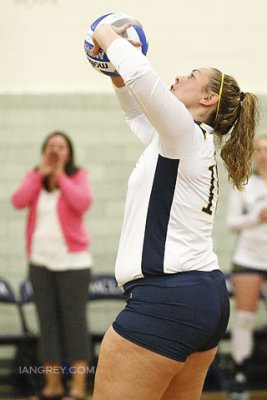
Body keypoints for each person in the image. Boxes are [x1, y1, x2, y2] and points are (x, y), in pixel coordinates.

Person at [89, 22, 260, 400]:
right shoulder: (180, 140)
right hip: (202, 297)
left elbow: (141, 75)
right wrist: (115, 75)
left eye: (192, 76)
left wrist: (105, 33)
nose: (180, 76)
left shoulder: (184, 133)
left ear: (209, 98)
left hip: (168, 300)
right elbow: (136, 114)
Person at [11, 131, 93, 400]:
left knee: (74, 325)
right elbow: (18, 201)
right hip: (40, 262)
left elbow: (82, 203)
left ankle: (78, 389)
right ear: (43, 149)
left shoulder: (77, 176)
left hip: (74, 264)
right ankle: (53, 386)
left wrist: (60, 176)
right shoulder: (35, 176)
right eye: (51, 145)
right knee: (48, 326)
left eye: (61, 146)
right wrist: (40, 174)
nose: (56, 149)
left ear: (69, 152)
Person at [226, 135, 267, 400]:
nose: (264, 154)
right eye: (259, 150)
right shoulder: (243, 184)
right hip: (248, 260)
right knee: (244, 317)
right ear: (253, 155)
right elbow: (231, 223)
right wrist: (255, 217)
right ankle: (240, 374)